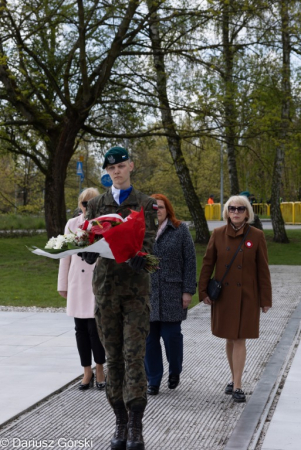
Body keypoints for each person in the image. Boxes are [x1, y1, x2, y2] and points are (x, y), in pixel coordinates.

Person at [81, 147, 158, 450]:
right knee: (113, 359)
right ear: (107, 172)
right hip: (106, 292)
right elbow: (88, 239)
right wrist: (85, 252)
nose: (117, 171)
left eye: (122, 166)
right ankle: (120, 423)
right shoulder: (96, 204)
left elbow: (150, 241)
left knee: (133, 356)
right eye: (111, 168)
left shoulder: (147, 204)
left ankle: (137, 427)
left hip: (135, 292)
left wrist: (144, 256)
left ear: (131, 167)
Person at [198, 195, 272, 403]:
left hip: (248, 295)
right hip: (225, 296)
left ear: (247, 212)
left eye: (241, 209)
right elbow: (207, 264)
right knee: (230, 338)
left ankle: (237, 384)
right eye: (232, 208)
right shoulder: (218, 234)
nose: (236, 212)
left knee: (240, 338)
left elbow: (263, 269)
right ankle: (234, 377)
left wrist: (265, 299)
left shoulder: (256, 235)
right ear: (227, 212)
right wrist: (203, 291)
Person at [144, 194, 196, 396]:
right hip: (147, 294)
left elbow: (190, 261)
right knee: (150, 340)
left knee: (171, 337)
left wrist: (188, 291)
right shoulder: (141, 231)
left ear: (168, 210)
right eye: (153, 208)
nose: (157, 211)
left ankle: (175, 371)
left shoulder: (180, 229)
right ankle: (153, 380)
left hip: (173, 292)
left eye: (161, 207)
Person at [58, 187, 106, 391]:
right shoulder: (72, 224)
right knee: (80, 330)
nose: (87, 207)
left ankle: (100, 368)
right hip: (77, 281)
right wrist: (63, 284)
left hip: (97, 283)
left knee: (95, 329)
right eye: (84, 203)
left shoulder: (104, 224)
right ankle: (86, 370)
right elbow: (65, 255)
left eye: (91, 203)